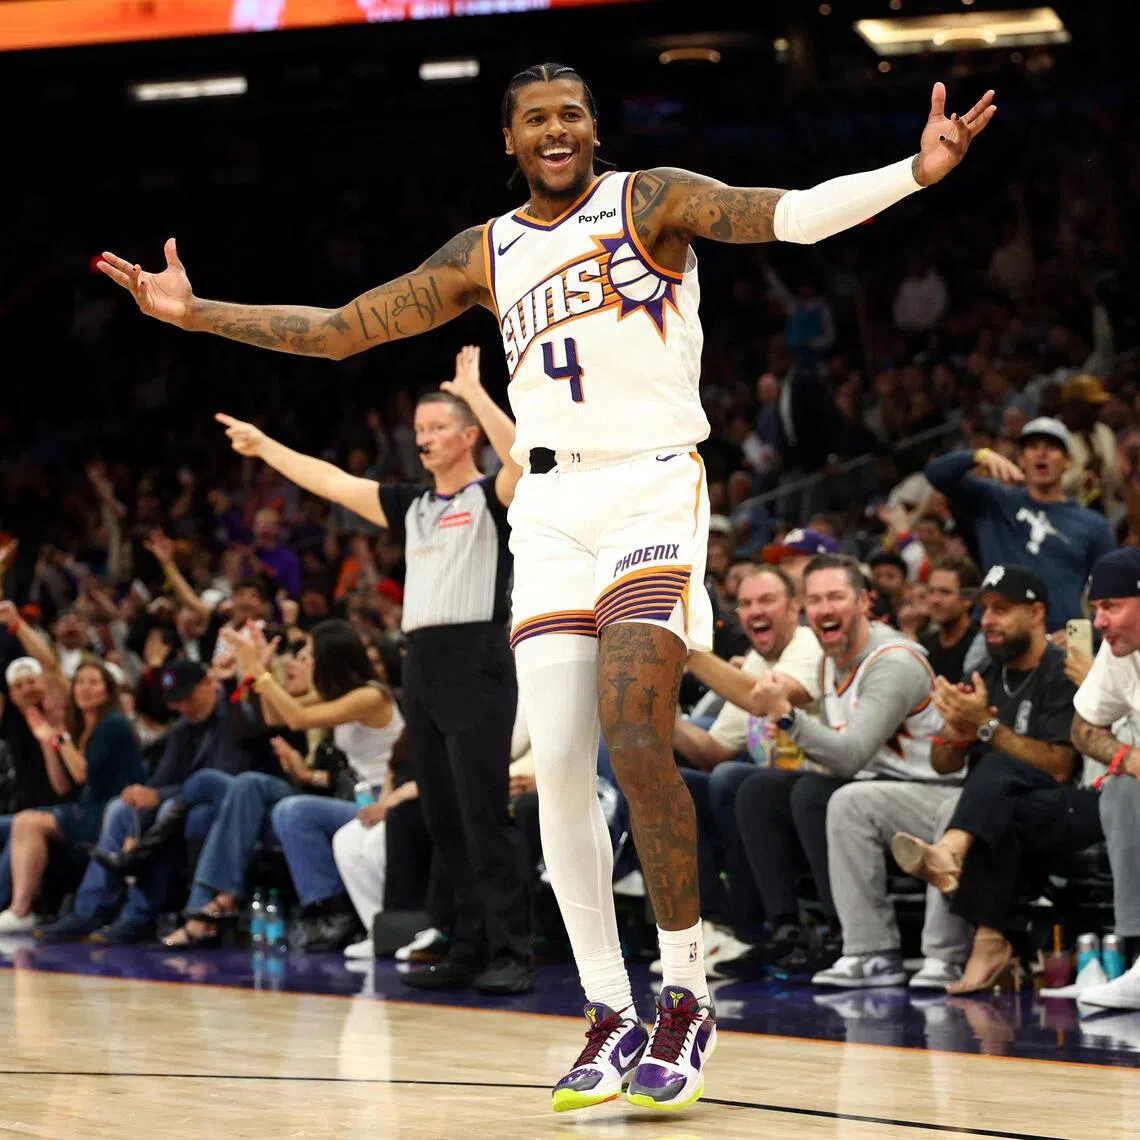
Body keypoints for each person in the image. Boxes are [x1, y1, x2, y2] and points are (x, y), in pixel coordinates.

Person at [98, 61, 995, 1112]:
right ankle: (610, 1014)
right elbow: (344, 328)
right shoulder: (487, 250)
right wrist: (197, 313)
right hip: (552, 512)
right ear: (510, 141)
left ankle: (686, 993)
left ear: (594, 129)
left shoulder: (647, 200)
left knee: (631, 727)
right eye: (536, 119)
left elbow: (787, 217)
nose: (557, 128)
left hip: (653, 489)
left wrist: (917, 173)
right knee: (561, 773)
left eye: (572, 113)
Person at [214, 348, 531, 993]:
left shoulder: (491, 496)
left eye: (437, 427)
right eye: (417, 431)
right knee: (442, 816)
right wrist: (266, 445)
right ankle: (467, 944)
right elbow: (330, 481)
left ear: (468, 435)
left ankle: (513, 952)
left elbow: (525, 458)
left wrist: (474, 389)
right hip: (422, 665)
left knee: (482, 813)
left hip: (478, 660)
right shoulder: (411, 504)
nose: (423, 439)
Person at [735, 555, 952, 986]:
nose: (825, 608)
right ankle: (784, 928)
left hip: (931, 791)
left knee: (829, 796)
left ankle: (868, 948)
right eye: (815, 599)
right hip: (879, 788)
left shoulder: (893, 661)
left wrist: (787, 716)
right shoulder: (827, 658)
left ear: (864, 602)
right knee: (756, 789)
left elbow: (850, 755)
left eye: (836, 596)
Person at [891, 565, 1088, 994]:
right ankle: (987, 941)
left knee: (996, 772)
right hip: (999, 807)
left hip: (1065, 804)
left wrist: (986, 730)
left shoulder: (1063, 672)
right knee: (997, 797)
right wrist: (959, 734)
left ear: (1036, 613)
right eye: (984, 610)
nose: (987, 621)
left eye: (1001, 610)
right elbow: (942, 762)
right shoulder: (985, 671)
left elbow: (1060, 767)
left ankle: (948, 857)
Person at [160, 619, 400, 948]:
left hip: (380, 801)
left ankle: (332, 915)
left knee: (292, 811)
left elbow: (297, 719)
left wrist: (259, 669)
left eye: (310, 654)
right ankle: (213, 903)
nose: (304, 659)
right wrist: (256, 670)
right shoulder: (338, 695)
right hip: (350, 799)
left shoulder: (370, 696)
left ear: (331, 656)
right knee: (247, 785)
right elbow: (275, 717)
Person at [676, 565, 822, 950]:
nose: (755, 610)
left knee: (734, 780)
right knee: (680, 787)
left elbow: (765, 699)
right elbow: (713, 751)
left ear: (794, 608)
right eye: (745, 603)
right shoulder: (756, 661)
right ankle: (710, 922)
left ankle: (750, 925)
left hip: (818, 785)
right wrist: (656, 718)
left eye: (767, 600)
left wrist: (689, 652)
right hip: (768, 790)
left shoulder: (808, 646)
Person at [924, 418, 1114, 630]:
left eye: (1051, 448)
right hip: (994, 636)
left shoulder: (1092, 523)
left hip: (1058, 644)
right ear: (1021, 459)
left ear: (1068, 460)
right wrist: (979, 455)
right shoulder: (994, 500)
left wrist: (1081, 635)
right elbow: (935, 474)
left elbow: (1112, 594)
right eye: (1033, 447)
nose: (1041, 454)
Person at [0, 658, 144, 932]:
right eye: (79, 682)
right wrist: (46, 740)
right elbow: (62, 786)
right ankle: (17, 909)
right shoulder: (80, 728)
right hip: (86, 809)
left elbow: (81, 774)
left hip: (115, 812)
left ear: (107, 690)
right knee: (18, 823)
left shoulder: (112, 725)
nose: (84, 688)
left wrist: (60, 735)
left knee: (27, 822)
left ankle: (20, 910)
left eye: (94, 682)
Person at [1068, 548, 1140, 1009]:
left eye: (1111, 606)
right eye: (1096, 610)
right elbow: (1082, 728)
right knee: (1121, 787)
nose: (1099, 622)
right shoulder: (1120, 653)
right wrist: (1127, 757)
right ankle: (1136, 955)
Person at [919, 554, 986, 683]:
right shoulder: (924, 644)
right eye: (931, 591)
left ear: (968, 599)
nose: (935, 600)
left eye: (945, 592)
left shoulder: (983, 647)